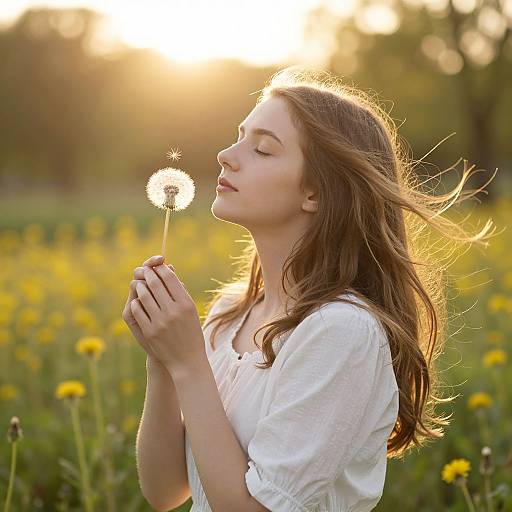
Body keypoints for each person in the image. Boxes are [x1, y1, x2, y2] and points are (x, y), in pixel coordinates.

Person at [128, 67, 495, 511]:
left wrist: (187, 362)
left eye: (262, 149)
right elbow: (166, 491)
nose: (226, 154)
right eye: (239, 137)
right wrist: (162, 359)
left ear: (316, 193)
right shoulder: (231, 313)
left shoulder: (341, 333)